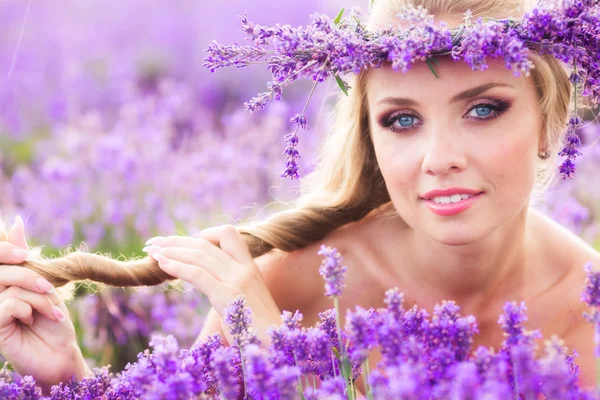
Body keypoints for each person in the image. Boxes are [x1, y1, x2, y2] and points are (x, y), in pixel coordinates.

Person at [0, 0, 599, 395]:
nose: (439, 157)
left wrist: (285, 358)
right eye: (401, 121)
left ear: (549, 120)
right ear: (370, 135)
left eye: (483, 109)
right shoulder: (283, 285)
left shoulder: (589, 310)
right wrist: (66, 378)